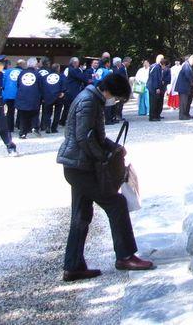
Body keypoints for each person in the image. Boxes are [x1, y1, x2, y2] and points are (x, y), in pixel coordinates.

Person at [56, 72, 153, 281]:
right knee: (116, 203)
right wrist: (104, 157)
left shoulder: (91, 98)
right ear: (110, 91)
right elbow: (84, 138)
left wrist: (113, 148)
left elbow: (95, 136)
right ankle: (125, 256)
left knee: (81, 215)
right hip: (81, 166)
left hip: (77, 165)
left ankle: (73, 266)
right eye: (117, 97)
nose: (115, 101)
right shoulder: (89, 101)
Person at [16, 57, 44, 138]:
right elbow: (41, 86)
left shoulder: (21, 73)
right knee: (35, 113)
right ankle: (35, 127)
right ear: (35, 65)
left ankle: (22, 133)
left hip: (22, 96)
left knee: (23, 115)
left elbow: (18, 84)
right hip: (34, 96)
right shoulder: (38, 74)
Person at [60, 57, 90, 126]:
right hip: (71, 91)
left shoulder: (71, 69)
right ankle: (65, 121)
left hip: (71, 90)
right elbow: (81, 77)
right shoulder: (73, 70)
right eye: (77, 63)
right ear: (74, 63)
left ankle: (63, 120)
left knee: (68, 107)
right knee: (70, 107)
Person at [40, 63, 65, 134]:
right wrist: (62, 92)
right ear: (58, 68)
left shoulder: (45, 77)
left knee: (47, 113)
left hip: (48, 96)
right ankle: (54, 128)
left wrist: (43, 96)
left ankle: (47, 126)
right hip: (58, 96)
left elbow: (42, 87)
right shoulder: (61, 76)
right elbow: (64, 86)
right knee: (57, 113)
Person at [107, 57, 131, 124]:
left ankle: (119, 115)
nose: (129, 64)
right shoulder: (120, 68)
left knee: (121, 102)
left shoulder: (122, 68)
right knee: (119, 102)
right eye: (129, 62)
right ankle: (117, 115)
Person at [147, 55, 170, 121]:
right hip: (153, 87)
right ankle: (152, 117)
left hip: (154, 86)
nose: (165, 68)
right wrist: (157, 88)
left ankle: (156, 115)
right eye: (165, 66)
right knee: (153, 102)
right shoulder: (156, 67)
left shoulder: (157, 67)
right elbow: (155, 78)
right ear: (163, 64)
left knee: (157, 102)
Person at [1, 59, 22, 133]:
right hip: (19, 94)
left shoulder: (6, 72)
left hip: (9, 94)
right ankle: (19, 125)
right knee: (20, 110)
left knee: (10, 111)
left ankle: (10, 128)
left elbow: (2, 84)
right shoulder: (21, 71)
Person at [176, 54, 193, 120]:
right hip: (183, 87)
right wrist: (192, 81)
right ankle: (182, 115)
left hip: (187, 87)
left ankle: (186, 114)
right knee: (183, 102)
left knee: (187, 102)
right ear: (192, 59)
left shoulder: (189, 65)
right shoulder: (186, 65)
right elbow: (187, 74)